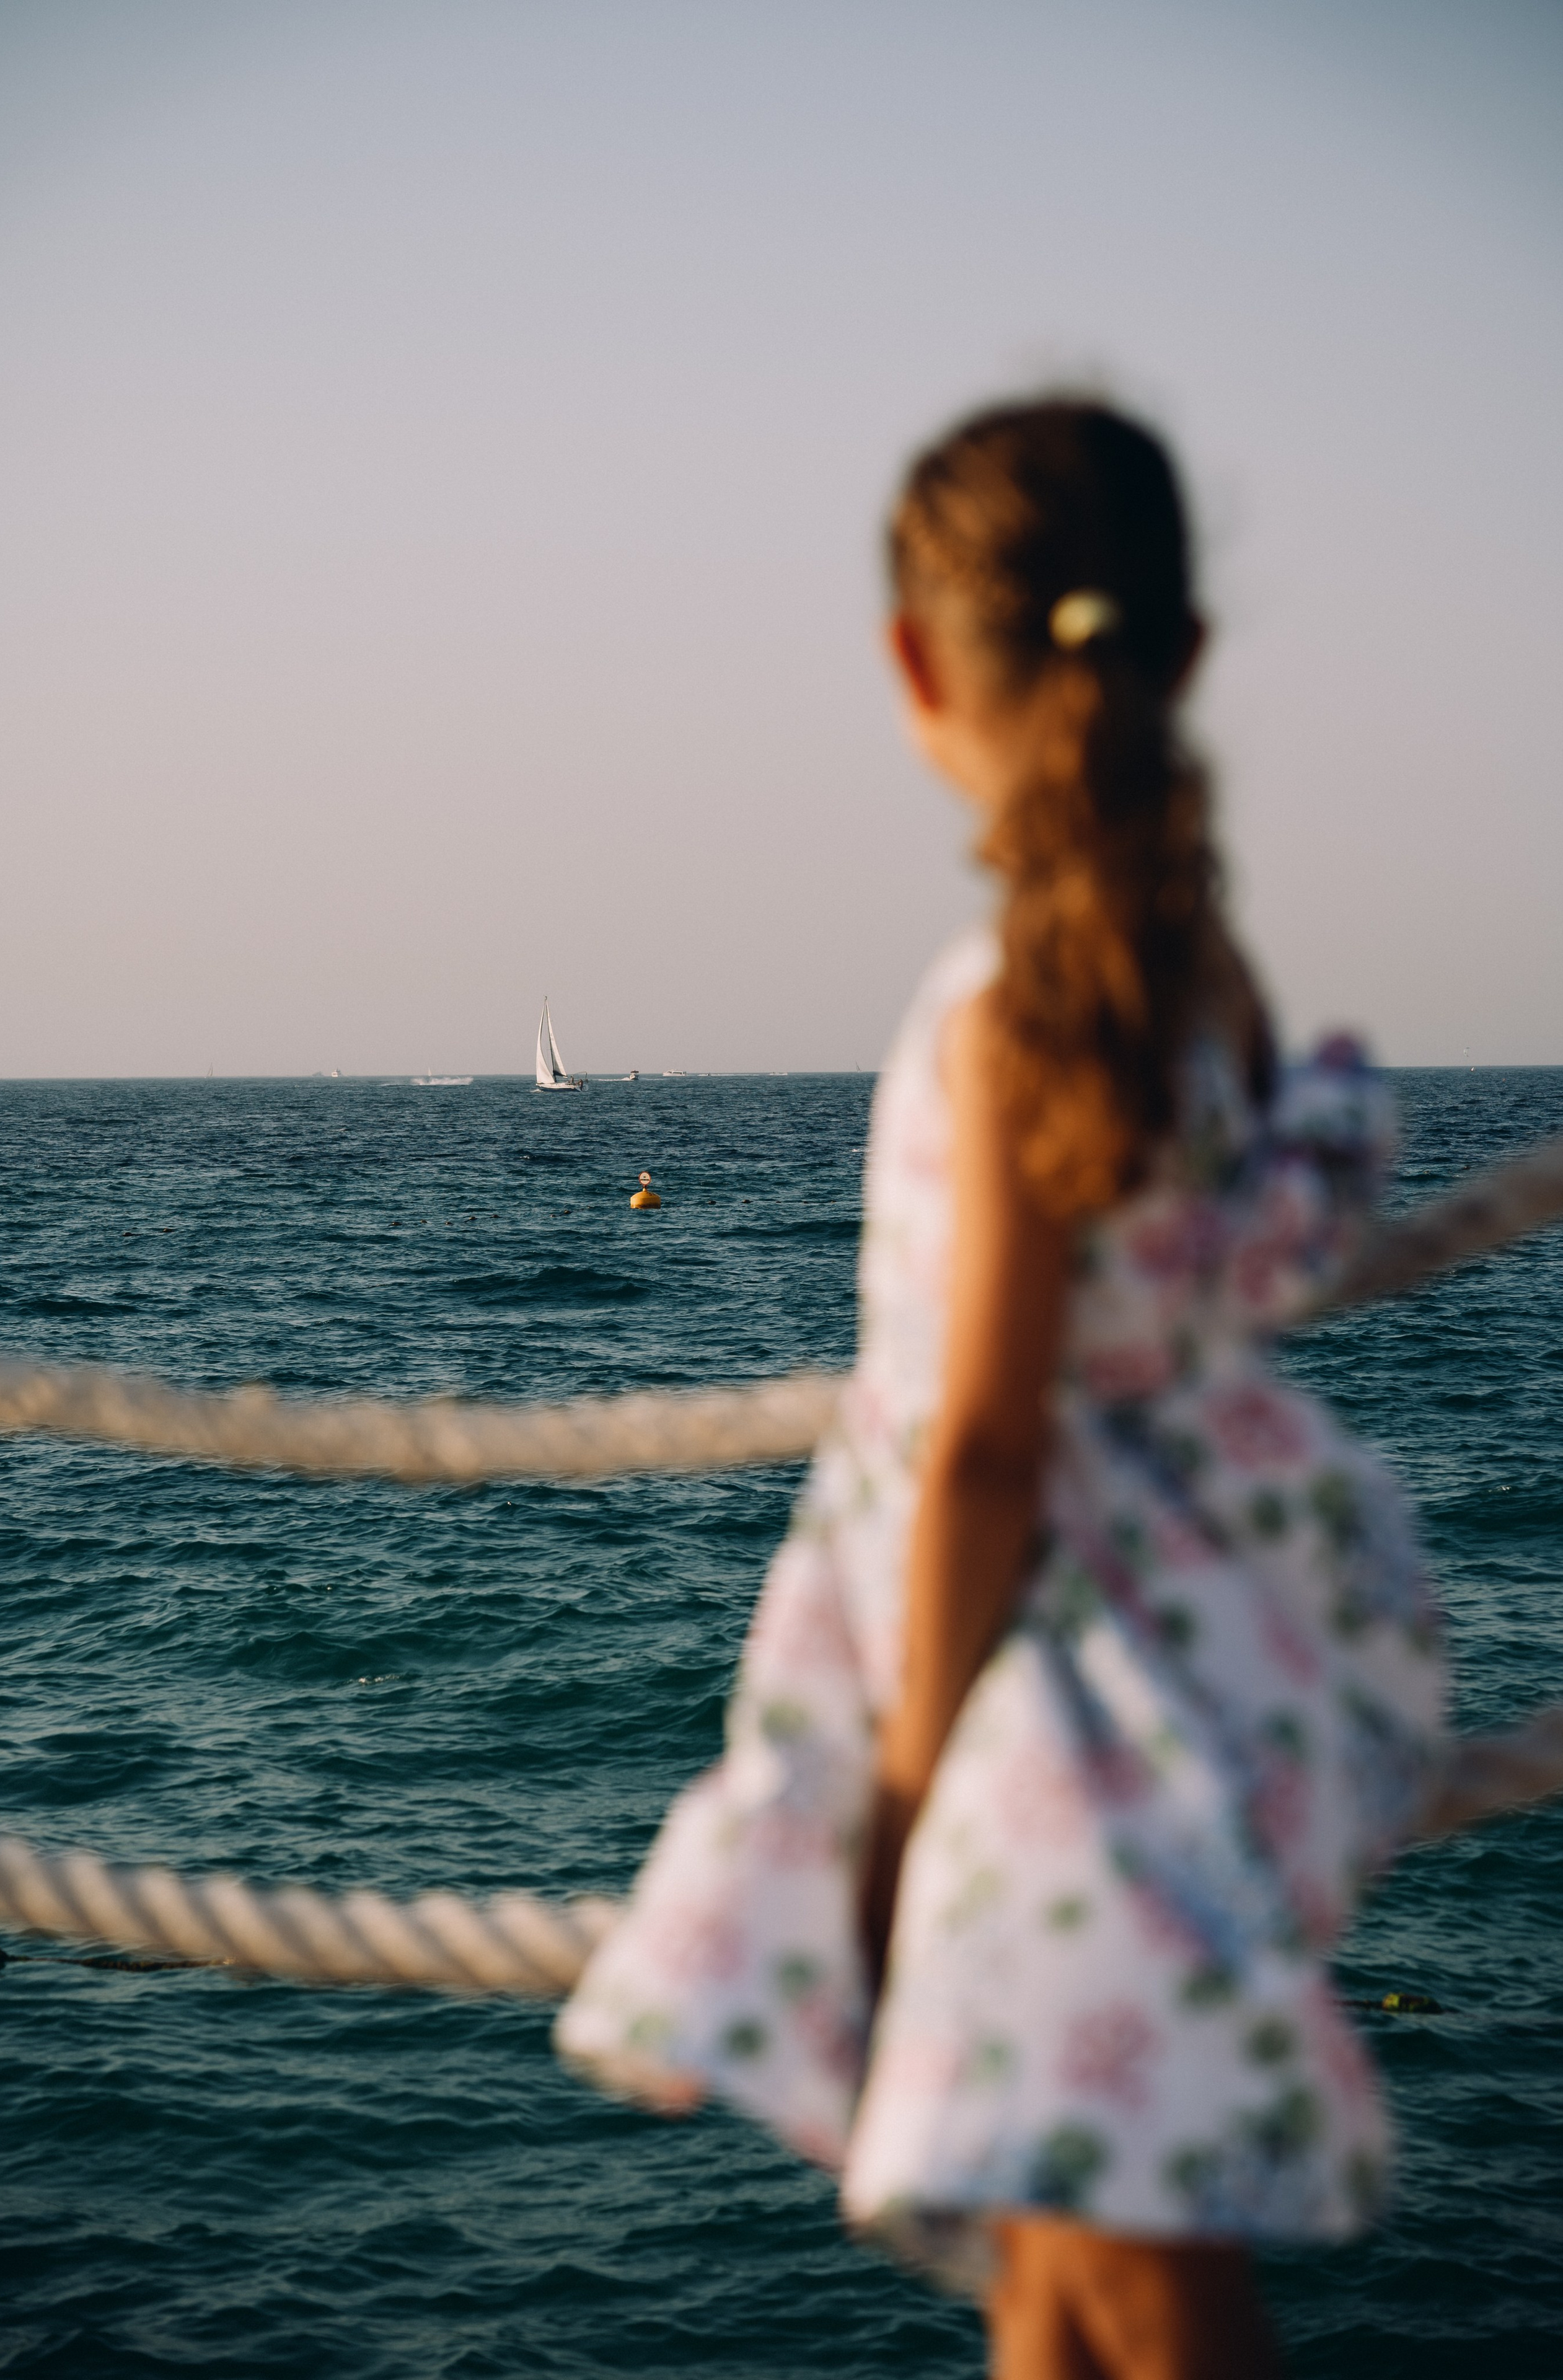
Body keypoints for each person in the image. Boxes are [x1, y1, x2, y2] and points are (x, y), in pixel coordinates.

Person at [557, 398, 1446, 2376]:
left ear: (912, 664)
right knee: (1054, 2268)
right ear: (1184, 652)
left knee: (1136, 2278)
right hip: (1221, 1643)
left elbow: (984, 1442)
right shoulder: (1203, 979)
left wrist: (897, 1786)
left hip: (1055, 1715)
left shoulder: (1014, 1011)